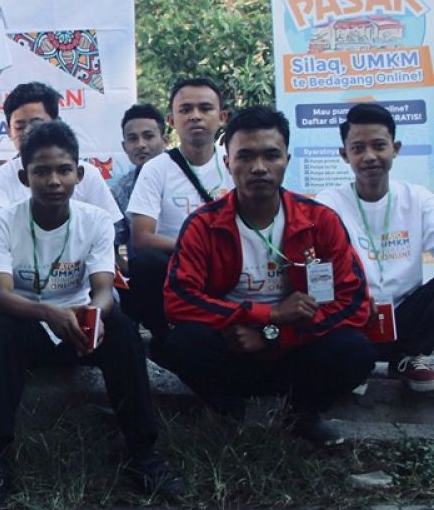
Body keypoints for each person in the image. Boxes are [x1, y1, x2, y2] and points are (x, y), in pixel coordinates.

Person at [0, 121, 182, 509]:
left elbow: (104, 290)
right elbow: (0, 295)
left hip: (83, 327)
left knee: (121, 328)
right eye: (41, 171)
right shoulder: (1, 222)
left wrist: (91, 319)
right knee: (4, 331)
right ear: (24, 176)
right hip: (30, 323)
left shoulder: (95, 220)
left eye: (64, 170)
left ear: (79, 175)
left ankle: (143, 454)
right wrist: (48, 312)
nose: (53, 180)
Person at [160, 107, 375, 447]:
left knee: (355, 349)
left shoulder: (320, 220)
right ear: (227, 162)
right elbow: (179, 299)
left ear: (286, 159)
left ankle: (302, 413)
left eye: (270, 155)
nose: (259, 167)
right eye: (245, 156)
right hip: (233, 347)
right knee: (184, 342)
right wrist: (268, 315)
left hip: (298, 351)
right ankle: (228, 408)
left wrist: (277, 334)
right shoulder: (203, 224)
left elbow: (354, 301)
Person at [317, 103, 434, 392]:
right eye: (358, 149)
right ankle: (352, 363)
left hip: (405, 319)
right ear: (345, 155)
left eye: (379, 146)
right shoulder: (328, 203)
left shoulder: (418, 199)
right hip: (353, 316)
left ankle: (409, 357)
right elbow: (319, 267)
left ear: (395, 148)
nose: (369, 157)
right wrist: (352, 299)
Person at [125, 78, 231, 346]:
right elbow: (142, 238)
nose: (195, 116)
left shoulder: (235, 161)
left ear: (222, 117)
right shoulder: (156, 168)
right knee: (146, 264)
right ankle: (165, 335)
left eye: (205, 108)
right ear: (171, 121)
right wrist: (196, 249)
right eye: (186, 110)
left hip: (230, 264)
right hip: (178, 267)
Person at [0, 83, 122, 222]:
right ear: (9, 130)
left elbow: (110, 226)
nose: (29, 132)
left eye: (37, 124)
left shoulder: (89, 175)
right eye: (20, 127)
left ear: (57, 123)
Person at [109, 103, 167, 262]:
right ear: (124, 146)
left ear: (165, 140)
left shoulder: (187, 172)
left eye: (148, 136)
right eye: (133, 139)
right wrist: (129, 275)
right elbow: (108, 243)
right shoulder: (121, 190)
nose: (141, 145)